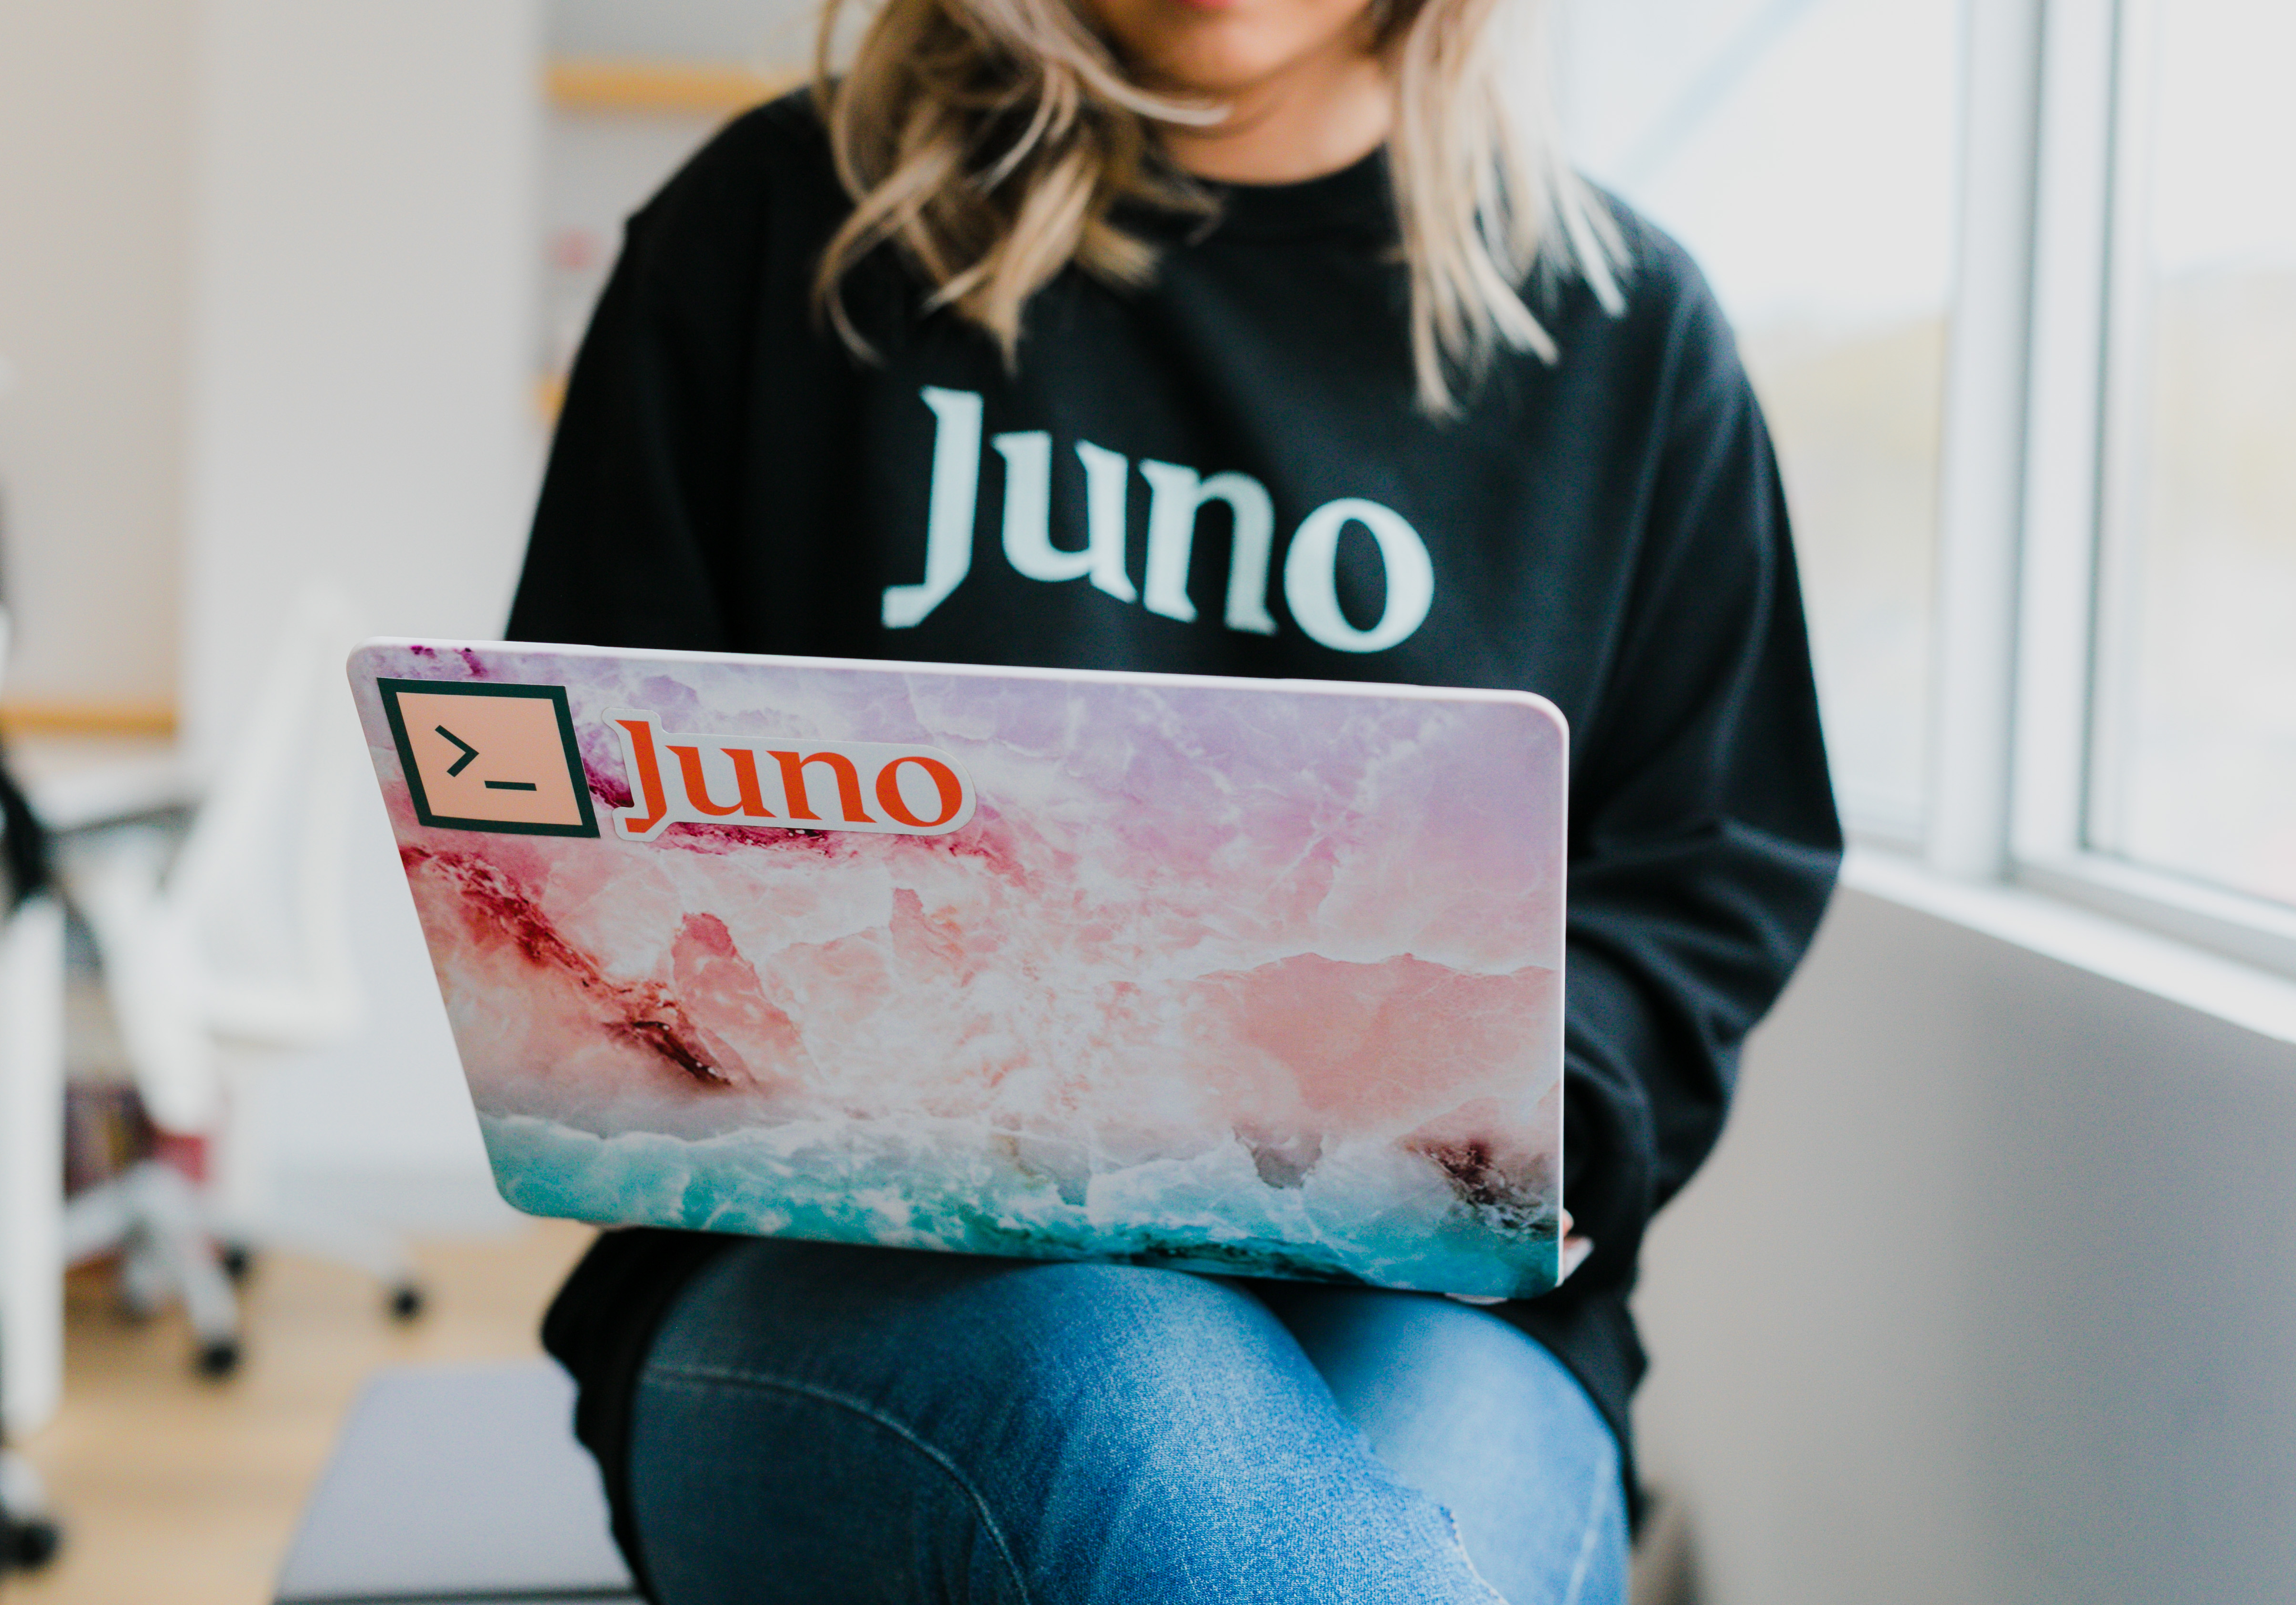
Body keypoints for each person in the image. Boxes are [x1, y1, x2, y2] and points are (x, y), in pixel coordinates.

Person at [510, 0, 1841, 1599]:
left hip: (1440, 1315)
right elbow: (580, 838)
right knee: (1144, 1424)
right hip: (820, 1281)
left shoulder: (1624, 337)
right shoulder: (775, 239)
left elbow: (1705, 872)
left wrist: (1498, 1129)